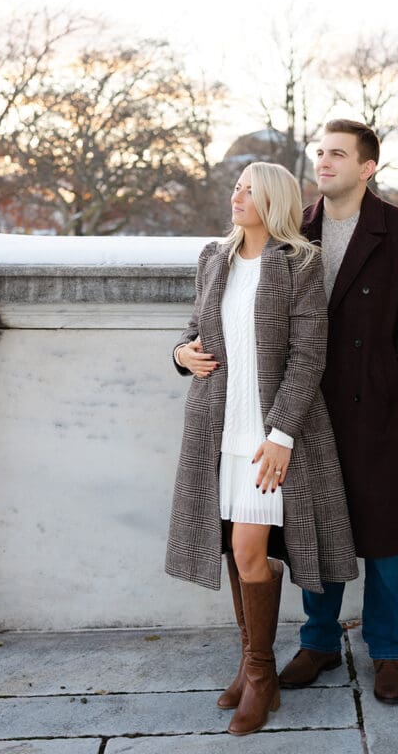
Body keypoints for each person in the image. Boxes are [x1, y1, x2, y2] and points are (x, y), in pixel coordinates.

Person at [165, 161, 358, 737]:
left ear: (273, 200)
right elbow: (194, 329)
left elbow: (309, 355)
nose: (237, 197)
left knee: (250, 548)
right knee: (234, 549)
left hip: (268, 435)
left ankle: (259, 673)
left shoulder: (300, 262)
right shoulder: (213, 257)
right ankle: (254, 670)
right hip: (216, 429)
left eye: (250, 191)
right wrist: (181, 354)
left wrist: (281, 435)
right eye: (237, 188)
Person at [279, 120, 398, 704]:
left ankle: (388, 650)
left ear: (367, 167)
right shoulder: (294, 228)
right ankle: (319, 642)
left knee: (385, 534)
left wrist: (389, 375)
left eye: (337, 154)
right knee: (315, 528)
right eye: (319, 153)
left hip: (377, 409)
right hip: (307, 406)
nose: (323, 163)